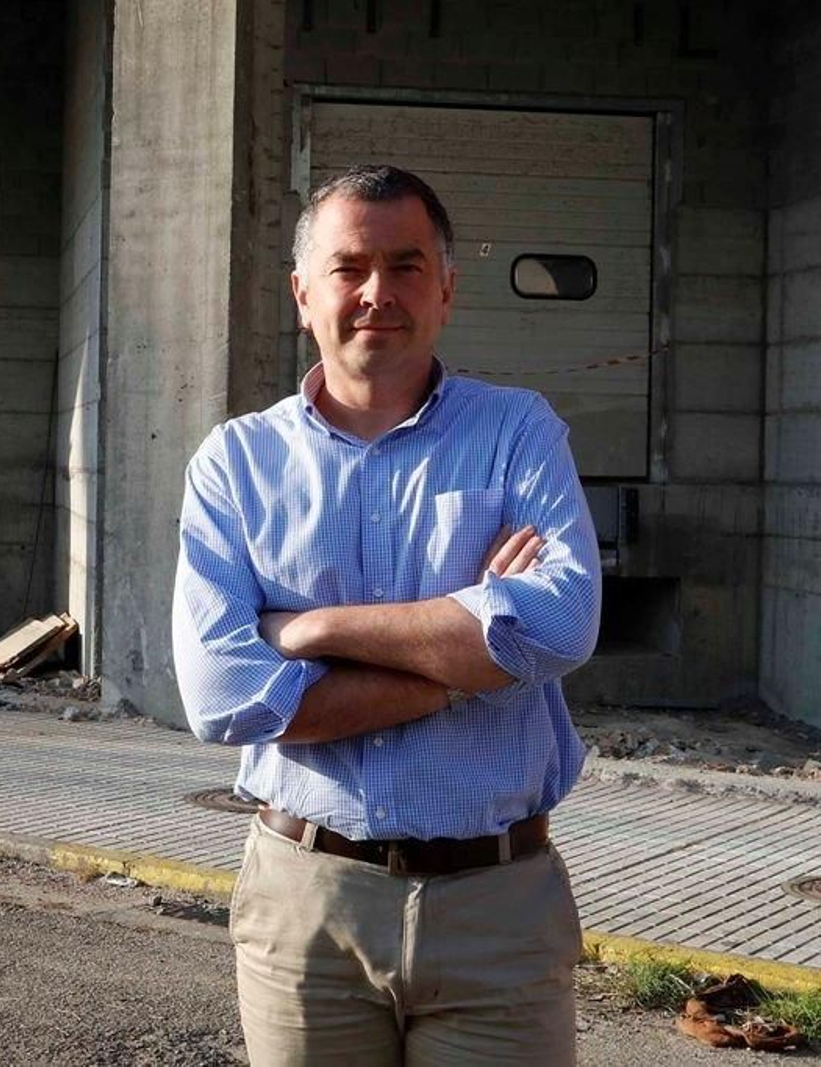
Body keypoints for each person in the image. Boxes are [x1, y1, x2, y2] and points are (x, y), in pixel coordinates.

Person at [172, 164, 601, 1066]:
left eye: (407, 266)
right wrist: (468, 654)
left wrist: (312, 630)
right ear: (302, 293)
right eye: (350, 267)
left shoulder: (519, 433)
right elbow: (223, 697)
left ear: (446, 289)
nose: (378, 293)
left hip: (498, 911)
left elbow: (561, 626)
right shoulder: (235, 464)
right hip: (307, 908)